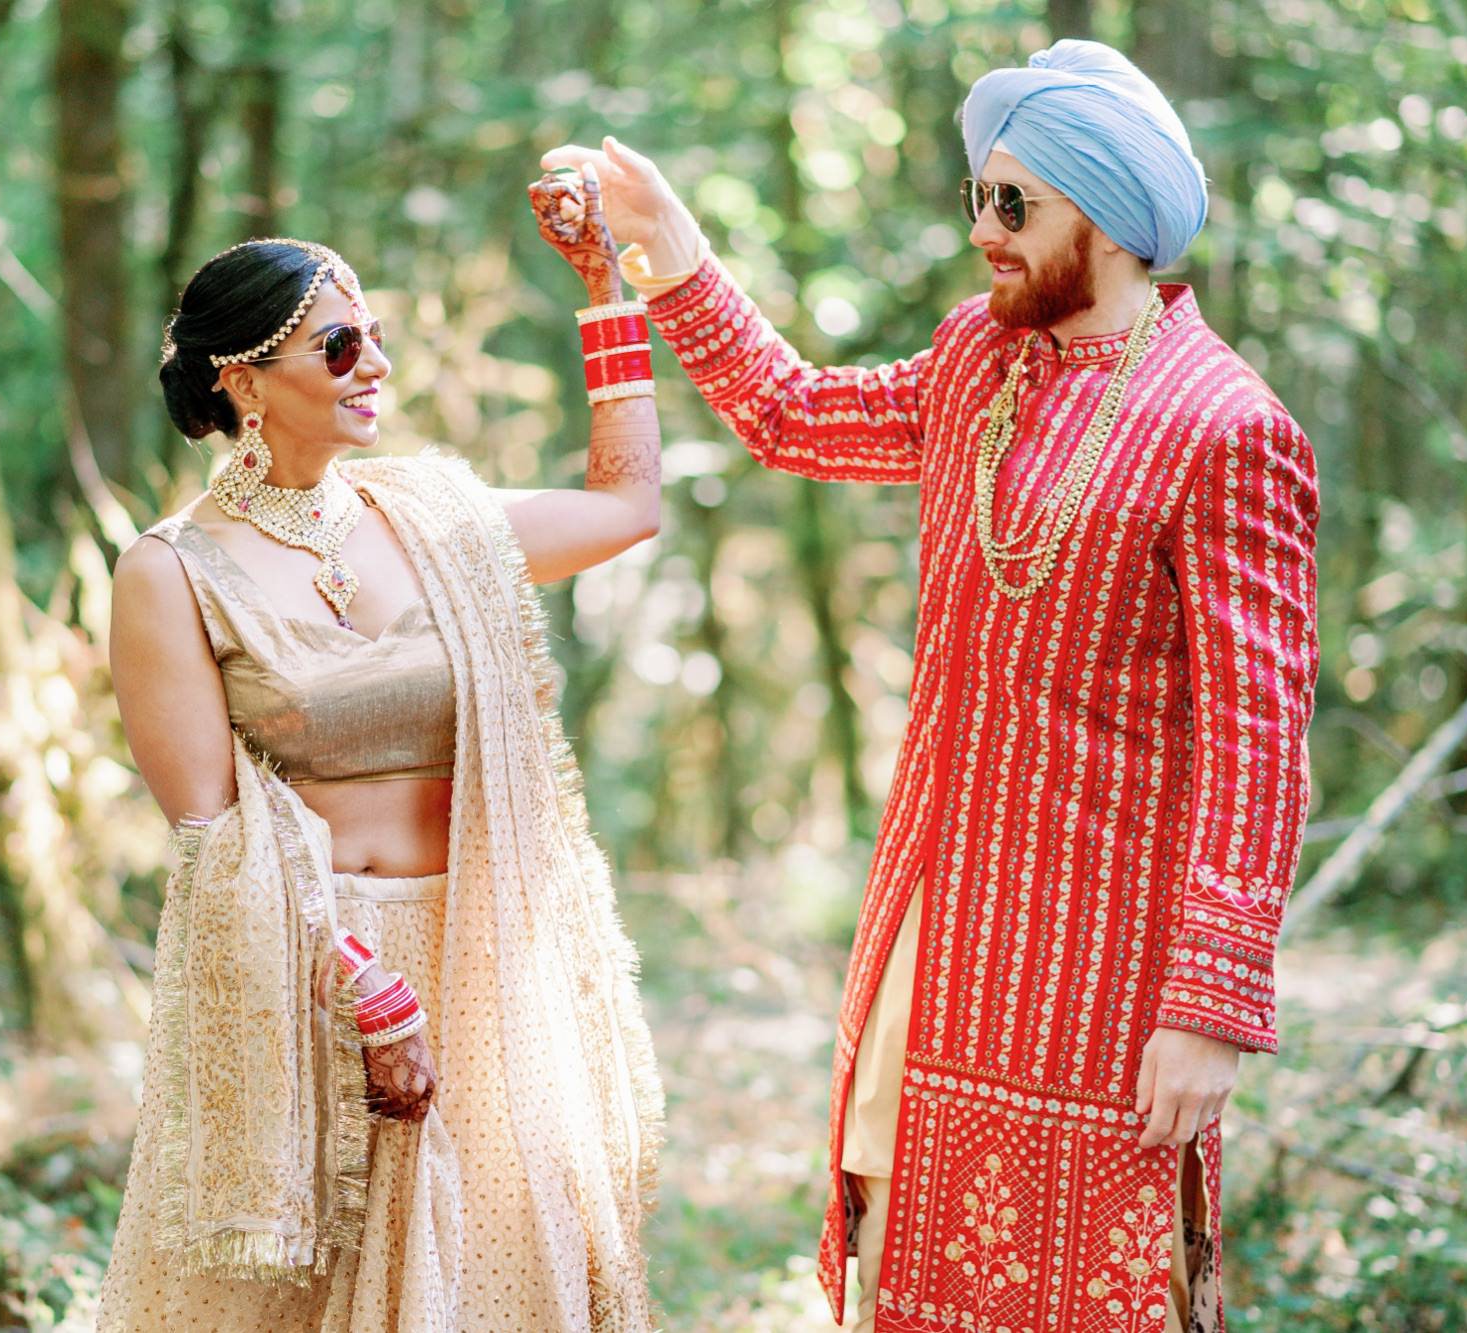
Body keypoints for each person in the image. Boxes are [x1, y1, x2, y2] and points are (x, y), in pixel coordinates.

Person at [546, 38, 1319, 1333]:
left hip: (1103, 966)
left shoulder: (1229, 427)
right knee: (908, 1259)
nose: (984, 231)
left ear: (1115, 217)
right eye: (977, 197)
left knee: (1087, 1292)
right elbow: (792, 415)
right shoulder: (980, 359)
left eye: (1015, 204)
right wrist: (670, 252)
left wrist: (1215, 1006)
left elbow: (1259, 740)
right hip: (938, 921)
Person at [94, 173, 664, 1332]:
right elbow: (213, 837)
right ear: (242, 380)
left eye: (376, 339)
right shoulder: (170, 572)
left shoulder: (433, 518)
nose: (374, 368)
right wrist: (361, 988)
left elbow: (627, 506)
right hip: (318, 970)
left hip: (484, 958)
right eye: (339, 344)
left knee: (500, 1283)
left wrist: (605, 294)